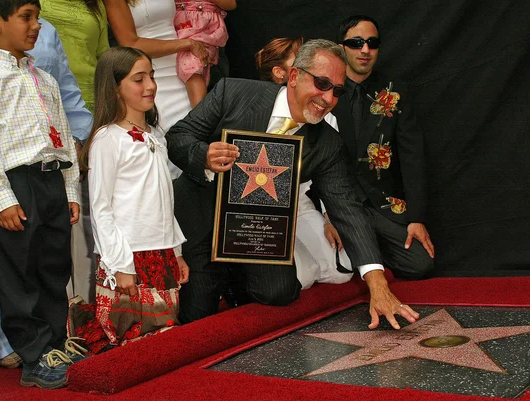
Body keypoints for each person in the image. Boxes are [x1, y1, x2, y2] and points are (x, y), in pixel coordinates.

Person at [167, 39, 420, 330]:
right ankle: (218, 274)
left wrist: (377, 284)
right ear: (294, 76)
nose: (328, 98)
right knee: (198, 318)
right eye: (322, 83)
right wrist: (204, 155)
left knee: (280, 292)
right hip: (202, 217)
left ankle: (235, 276)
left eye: (337, 91)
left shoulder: (327, 143)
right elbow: (178, 136)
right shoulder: (233, 91)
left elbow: (347, 209)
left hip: (257, 232)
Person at [0, 0, 91, 370]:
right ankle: (33, 355)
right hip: (16, 183)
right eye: (26, 18)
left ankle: (56, 344)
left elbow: (60, 135)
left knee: (53, 265)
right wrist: (2, 198)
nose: (36, 26)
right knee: (19, 272)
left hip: (50, 180)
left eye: (37, 17)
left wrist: (70, 190)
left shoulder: (43, 78)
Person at [70, 46, 189, 354]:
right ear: (115, 88)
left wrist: (175, 251)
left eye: (151, 76)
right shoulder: (108, 139)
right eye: (139, 79)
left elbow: (163, 199)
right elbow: (101, 209)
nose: (150, 85)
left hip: (159, 251)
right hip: (129, 256)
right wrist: (121, 264)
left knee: (163, 335)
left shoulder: (154, 135)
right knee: (132, 341)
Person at [332, 15, 434, 279]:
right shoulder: (325, 89)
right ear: (342, 47)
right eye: (356, 43)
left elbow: (413, 157)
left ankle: (369, 250)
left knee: (420, 265)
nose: (365, 50)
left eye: (372, 42)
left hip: (382, 204)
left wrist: (416, 218)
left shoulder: (394, 92)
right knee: (333, 269)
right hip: (336, 203)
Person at [254, 36, 352, 290]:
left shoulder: (324, 117)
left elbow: (330, 180)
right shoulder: (253, 108)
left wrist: (329, 218)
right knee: (303, 276)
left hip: (300, 202)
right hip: (260, 211)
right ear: (286, 74)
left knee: (342, 271)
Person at [39, 0, 110, 303]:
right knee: (63, 224)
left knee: (97, 212)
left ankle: (102, 301)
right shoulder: (34, 4)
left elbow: (105, 56)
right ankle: (72, 306)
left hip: (93, 110)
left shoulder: (95, 3)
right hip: (46, 116)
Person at [105, 0, 210, 178]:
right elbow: (130, 42)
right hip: (149, 75)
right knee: (163, 141)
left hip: (180, 70)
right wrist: (186, 44)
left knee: (193, 134)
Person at [173, 0, 235, 107]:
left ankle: (200, 115)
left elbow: (231, 4)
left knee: (192, 62)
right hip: (181, 25)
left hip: (206, 26)